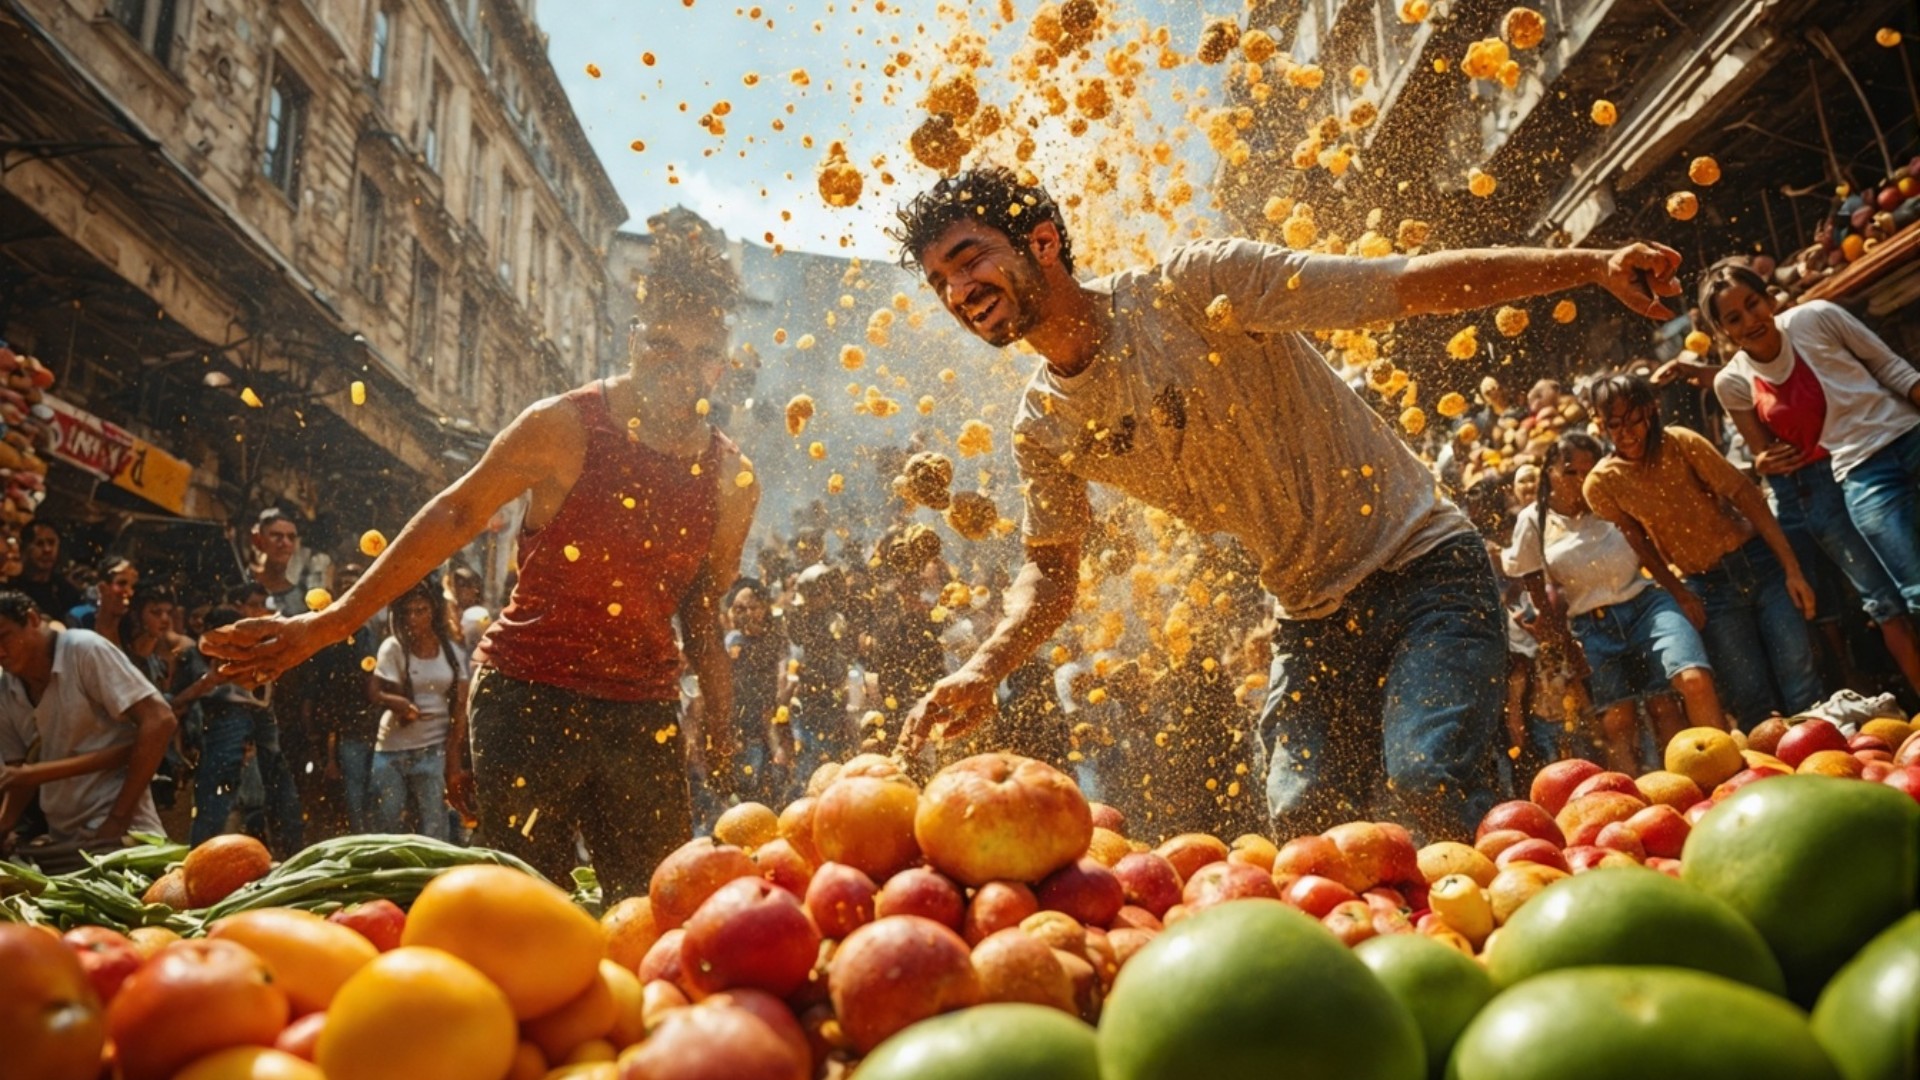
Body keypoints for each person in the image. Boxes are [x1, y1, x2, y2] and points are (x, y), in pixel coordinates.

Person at [888, 166, 1686, 840]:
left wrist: (1591, 265)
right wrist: (983, 668)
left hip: (1425, 568)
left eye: (968, 259)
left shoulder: (1196, 287)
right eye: (939, 282)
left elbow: (1403, 284)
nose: (958, 291)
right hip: (1309, 616)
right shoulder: (1044, 426)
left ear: (1041, 243)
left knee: (1427, 778)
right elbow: (1050, 572)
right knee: (1303, 823)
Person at [202, 227, 757, 898]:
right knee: (525, 903)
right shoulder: (564, 426)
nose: (681, 367)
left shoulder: (731, 479)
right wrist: (327, 624)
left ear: (722, 365)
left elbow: (703, 612)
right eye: (664, 343)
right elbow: (454, 514)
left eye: (703, 353)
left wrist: (721, 727)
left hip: (643, 711)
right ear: (635, 339)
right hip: (529, 696)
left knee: (651, 907)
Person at [1693, 262, 1920, 695]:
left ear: (1769, 298)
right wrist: (1764, 462)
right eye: (1734, 318)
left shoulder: (1815, 318)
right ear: (1722, 331)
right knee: (1888, 602)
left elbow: (1890, 368)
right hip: (1837, 481)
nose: (1749, 320)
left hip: (1892, 447)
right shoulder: (1732, 381)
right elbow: (1762, 452)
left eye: (1753, 304)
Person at [1583, 374, 1821, 729]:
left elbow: (1746, 496)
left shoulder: (1681, 442)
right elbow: (1639, 543)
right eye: (1615, 425)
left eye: (1634, 420)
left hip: (1759, 562)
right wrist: (1679, 593)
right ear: (1601, 424)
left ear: (1650, 411)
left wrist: (1792, 569)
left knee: (1800, 678)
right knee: (1750, 696)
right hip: (1708, 586)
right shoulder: (1602, 483)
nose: (1626, 433)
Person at [1503, 433, 1722, 771]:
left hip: (1646, 606)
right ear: (1550, 472)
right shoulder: (1534, 520)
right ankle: (1630, 796)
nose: (1580, 480)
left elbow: (1646, 548)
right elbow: (1534, 584)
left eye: (1588, 470)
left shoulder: (1611, 496)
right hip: (1591, 626)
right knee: (1617, 721)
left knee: (1673, 698)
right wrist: (1564, 643)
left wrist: (1680, 593)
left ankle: (1716, 769)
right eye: (1570, 471)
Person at [0, 590, 176, 871]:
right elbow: (20, 778)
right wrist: (4, 827)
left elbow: (160, 721)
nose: (0, 652)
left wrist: (117, 819)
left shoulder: (83, 650)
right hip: (64, 837)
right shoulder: (6, 690)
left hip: (122, 831)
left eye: (4, 637)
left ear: (32, 620)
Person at [180, 604, 304, 853]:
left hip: (259, 714)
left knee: (273, 781)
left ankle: (289, 849)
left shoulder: (253, 650)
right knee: (221, 786)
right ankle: (203, 851)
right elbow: (179, 701)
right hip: (225, 713)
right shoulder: (192, 656)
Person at [368, 581, 468, 840]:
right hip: (392, 748)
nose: (413, 618)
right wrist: (399, 704)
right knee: (388, 823)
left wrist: (454, 753)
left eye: (421, 610)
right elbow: (375, 692)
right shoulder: (394, 647)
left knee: (435, 824)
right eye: (408, 612)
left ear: (433, 611)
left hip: (433, 749)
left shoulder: (451, 650)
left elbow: (461, 703)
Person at [723, 578, 791, 804]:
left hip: (774, 729)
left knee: (776, 792)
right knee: (744, 796)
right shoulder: (731, 641)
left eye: (753, 607)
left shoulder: (775, 640)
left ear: (764, 608)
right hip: (742, 732)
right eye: (740, 609)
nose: (747, 614)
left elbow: (784, 679)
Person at [11, 520, 81, 622]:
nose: (47, 549)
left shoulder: (66, 591)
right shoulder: (12, 589)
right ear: (24, 548)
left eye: (51, 543)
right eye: (39, 543)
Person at [67, 557, 137, 647]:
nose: (129, 592)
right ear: (102, 587)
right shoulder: (80, 618)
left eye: (132, 586)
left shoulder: (131, 631)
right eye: (121, 583)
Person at [251, 510, 309, 617]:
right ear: (259, 540)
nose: (286, 543)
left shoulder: (305, 597)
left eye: (291, 537)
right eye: (276, 536)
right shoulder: (240, 584)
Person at [446, 565, 491, 650]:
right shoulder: (451, 612)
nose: (459, 591)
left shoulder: (482, 612)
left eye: (464, 586)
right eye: (455, 586)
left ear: (475, 589)